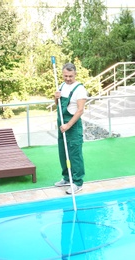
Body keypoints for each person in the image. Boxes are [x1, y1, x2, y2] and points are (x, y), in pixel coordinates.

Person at [54, 63, 87, 194]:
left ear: (75, 74)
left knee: (75, 155)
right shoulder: (61, 85)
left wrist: (68, 125)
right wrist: (55, 97)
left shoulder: (80, 89)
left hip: (72, 127)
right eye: (65, 76)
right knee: (63, 153)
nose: (67, 78)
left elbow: (80, 111)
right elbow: (57, 104)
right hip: (62, 126)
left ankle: (78, 182)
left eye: (70, 76)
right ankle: (67, 178)